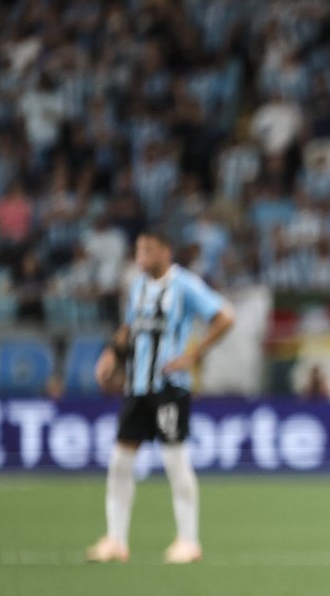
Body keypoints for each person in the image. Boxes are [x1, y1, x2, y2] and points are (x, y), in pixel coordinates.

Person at [87, 229, 235, 564]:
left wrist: (193, 356)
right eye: (138, 250)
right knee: (120, 461)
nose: (142, 257)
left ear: (166, 251)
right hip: (137, 387)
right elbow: (129, 327)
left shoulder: (184, 285)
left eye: (149, 250)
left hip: (170, 387)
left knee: (174, 461)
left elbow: (226, 317)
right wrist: (111, 354)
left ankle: (188, 541)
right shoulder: (139, 286)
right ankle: (116, 540)